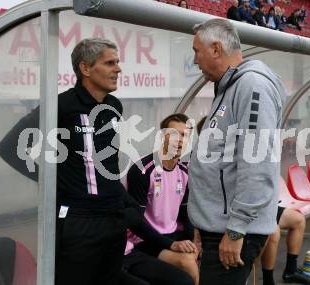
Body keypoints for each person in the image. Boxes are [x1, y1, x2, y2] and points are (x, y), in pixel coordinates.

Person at [0, 38, 127, 284]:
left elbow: (106, 162)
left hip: (115, 220)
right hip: (79, 223)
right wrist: (51, 182)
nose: (118, 69)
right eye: (110, 63)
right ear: (85, 68)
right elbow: (9, 147)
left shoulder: (114, 106)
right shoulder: (61, 105)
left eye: (117, 62)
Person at [189, 18, 286, 285]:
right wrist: (201, 221)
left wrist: (236, 230)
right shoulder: (229, 85)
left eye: (197, 50)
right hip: (219, 226)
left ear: (216, 49)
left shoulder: (252, 85)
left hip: (233, 230)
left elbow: (257, 162)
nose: (195, 60)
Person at [126, 113, 199, 284]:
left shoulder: (185, 172)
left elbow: (185, 214)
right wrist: (170, 244)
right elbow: (136, 223)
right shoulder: (142, 170)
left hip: (173, 235)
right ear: (161, 136)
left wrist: (195, 242)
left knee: (206, 255)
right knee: (188, 263)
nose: (179, 140)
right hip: (145, 239)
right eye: (173, 133)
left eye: (184, 135)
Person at [122, 191, 197, 285]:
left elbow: (134, 213)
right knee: (187, 262)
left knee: (187, 278)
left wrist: (194, 241)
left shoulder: (111, 183)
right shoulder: (139, 176)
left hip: (132, 248)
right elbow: (136, 218)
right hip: (141, 241)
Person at [261, 207, 310, 285]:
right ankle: (268, 281)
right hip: (251, 210)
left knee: (298, 219)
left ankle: (291, 271)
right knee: (273, 232)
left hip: (268, 207)